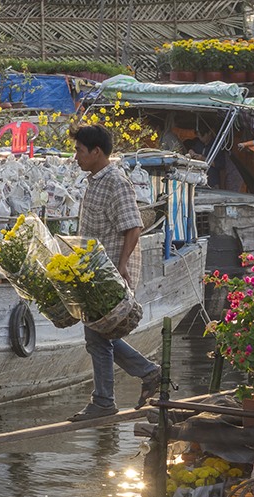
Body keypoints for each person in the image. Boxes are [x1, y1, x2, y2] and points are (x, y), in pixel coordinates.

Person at [68, 124, 161, 421]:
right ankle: (144, 375)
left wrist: (120, 269)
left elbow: (133, 228)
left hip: (108, 274)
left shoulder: (115, 182)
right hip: (94, 272)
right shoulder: (96, 180)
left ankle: (107, 399)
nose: (76, 157)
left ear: (96, 152)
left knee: (97, 336)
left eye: (80, 151)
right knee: (98, 336)